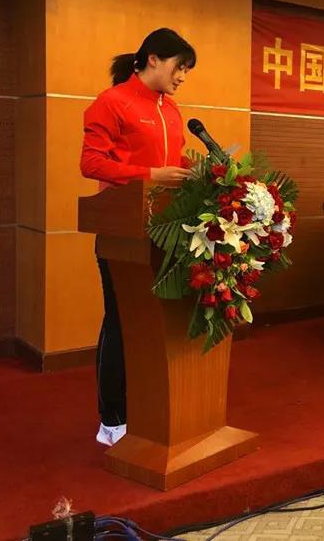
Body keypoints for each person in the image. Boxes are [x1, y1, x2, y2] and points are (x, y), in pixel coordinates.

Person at [80, 28, 196, 446]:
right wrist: (151, 175)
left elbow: (172, 160)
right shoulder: (112, 102)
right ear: (153, 59)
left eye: (186, 71)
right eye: (179, 67)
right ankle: (112, 419)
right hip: (122, 232)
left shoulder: (172, 110)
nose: (182, 76)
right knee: (122, 320)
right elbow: (91, 163)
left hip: (165, 231)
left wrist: (195, 172)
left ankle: (147, 407)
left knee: (153, 325)